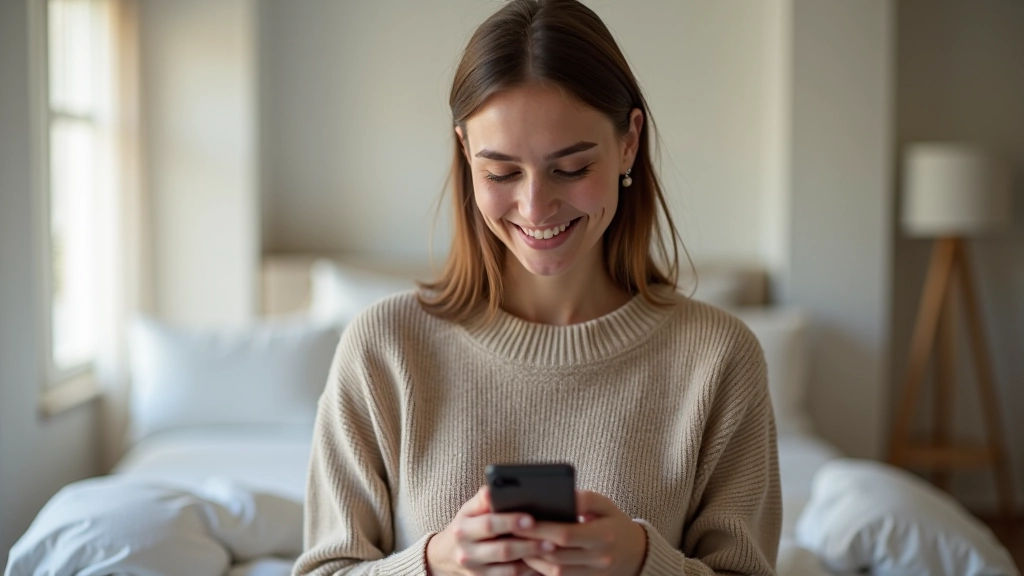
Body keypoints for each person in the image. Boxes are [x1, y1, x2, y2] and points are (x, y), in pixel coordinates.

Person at [292, 0, 781, 574]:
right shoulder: (384, 348)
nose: (534, 207)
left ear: (628, 142)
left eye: (571, 169)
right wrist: (436, 562)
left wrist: (646, 562)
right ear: (465, 154)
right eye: (500, 172)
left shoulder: (719, 358)